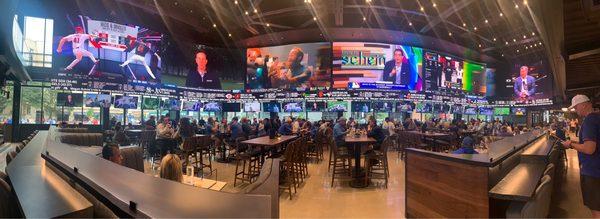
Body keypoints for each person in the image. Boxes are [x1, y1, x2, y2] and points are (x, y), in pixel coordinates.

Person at [561, 94, 600, 218]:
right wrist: (574, 143)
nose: (575, 111)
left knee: (596, 209)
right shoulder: (597, 117)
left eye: (576, 107)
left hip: (592, 171)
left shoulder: (589, 120)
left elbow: (589, 149)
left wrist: (571, 145)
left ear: (584, 104)